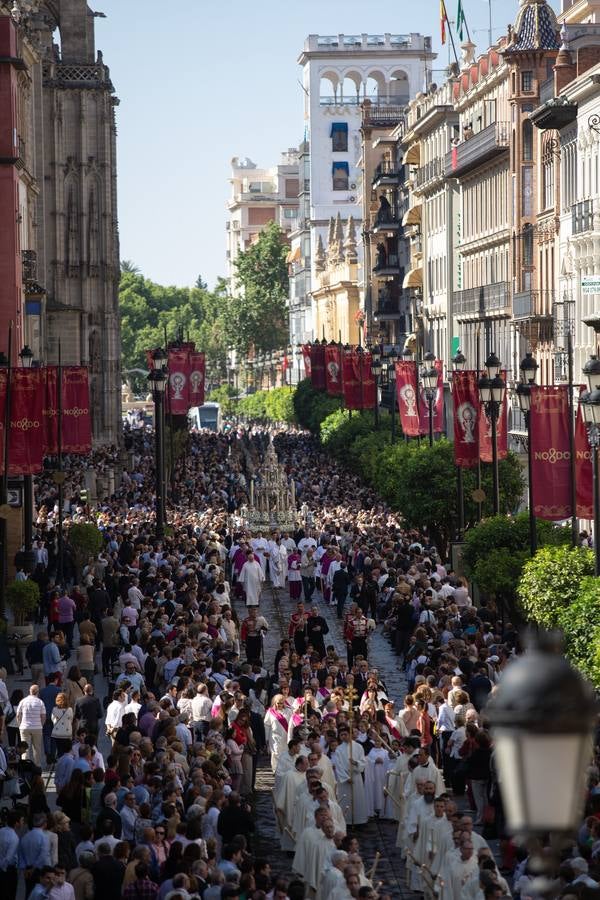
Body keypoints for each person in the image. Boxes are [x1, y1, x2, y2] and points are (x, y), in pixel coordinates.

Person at [16, 684, 46, 767]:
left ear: (29, 691)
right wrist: (41, 725)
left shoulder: (23, 701)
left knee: (25, 748)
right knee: (37, 748)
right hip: (37, 728)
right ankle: (37, 766)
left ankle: (25, 766)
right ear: (37, 692)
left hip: (25, 727)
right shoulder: (40, 702)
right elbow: (43, 716)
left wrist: (20, 725)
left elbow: (18, 715)